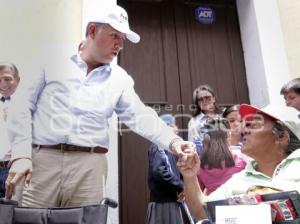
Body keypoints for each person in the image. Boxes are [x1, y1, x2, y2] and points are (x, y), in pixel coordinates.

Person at [6, 5, 195, 208]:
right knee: (29, 218)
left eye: (123, 38)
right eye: (115, 35)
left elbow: (140, 116)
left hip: (90, 169)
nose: (120, 44)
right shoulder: (50, 57)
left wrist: (174, 142)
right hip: (41, 162)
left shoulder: (119, 79)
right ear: (92, 31)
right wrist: (21, 154)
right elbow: (21, 106)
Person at [178, 104, 300, 220]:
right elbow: (203, 212)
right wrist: (190, 176)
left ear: (282, 137)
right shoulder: (238, 180)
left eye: (255, 125)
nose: (244, 130)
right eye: (246, 125)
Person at [146, 114, 194, 224]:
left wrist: (184, 186)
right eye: (174, 125)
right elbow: (160, 172)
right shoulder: (158, 146)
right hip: (163, 203)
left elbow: (175, 172)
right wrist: (181, 186)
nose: (177, 128)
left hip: (171, 200)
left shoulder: (169, 149)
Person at [196, 117, 247, 195]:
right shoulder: (241, 160)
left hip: (213, 204)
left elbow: (199, 193)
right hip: (238, 204)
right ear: (228, 136)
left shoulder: (200, 165)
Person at [0, 63, 20, 198]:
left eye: (7, 79)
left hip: (15, 170)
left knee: (13, 214)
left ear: (18, 80)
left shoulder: (28, 105)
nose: (3, 84)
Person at [188, 85, 222, 154]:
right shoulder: (193, 122)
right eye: (200, 99)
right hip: (206, 159)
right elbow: (192, 144)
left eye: (207, 97)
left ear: (214, 99)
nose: (204, 101)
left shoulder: (224, 116)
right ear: (197, 103)